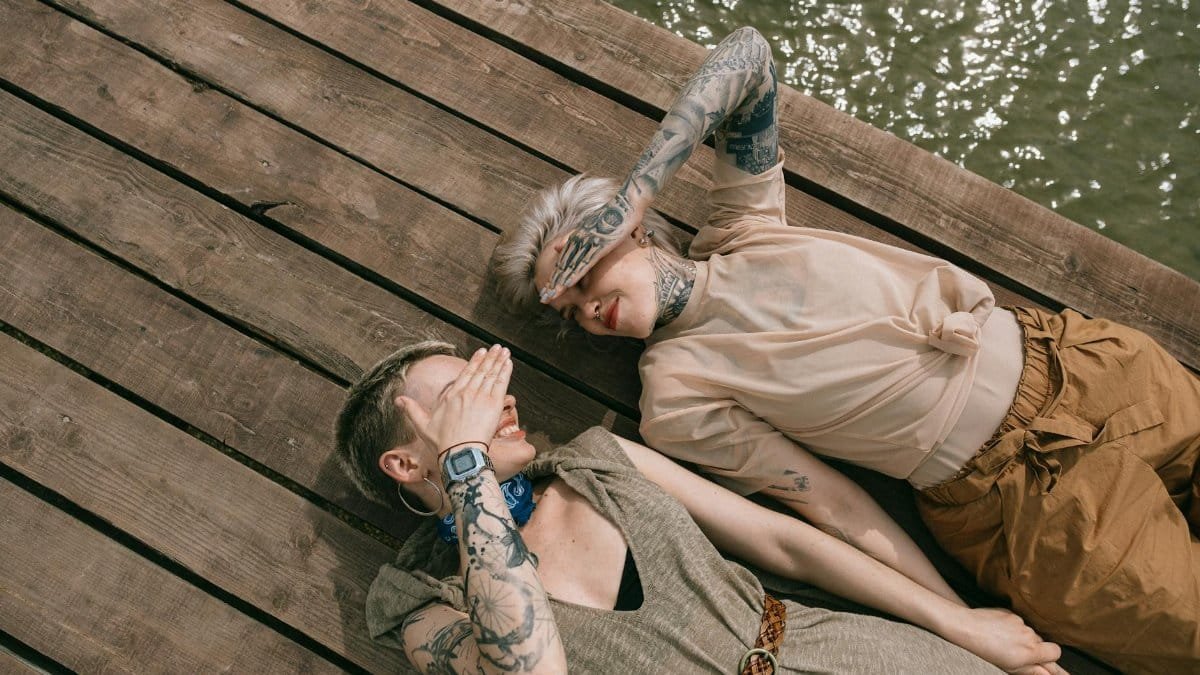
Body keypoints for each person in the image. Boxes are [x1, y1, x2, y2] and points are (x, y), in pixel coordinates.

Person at [490, 25, 1200, 674]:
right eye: (572, 310)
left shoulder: (743, 225)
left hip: (1086, 363)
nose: (589, 309)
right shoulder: (676, 395)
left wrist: (638, 186)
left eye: (584, 270)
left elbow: (749, 57)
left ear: (629, 230)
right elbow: (831, 503)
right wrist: (959, 622)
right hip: (1028, 507)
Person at [334, 342, 1064, 673]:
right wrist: (468, 461)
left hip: (847, 654)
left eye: (490, 381)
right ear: (407, 461)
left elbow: (786, 543)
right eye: (469, 395)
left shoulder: (597, 459)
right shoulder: (418, 601)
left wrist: (960, 626)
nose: (503, 399)